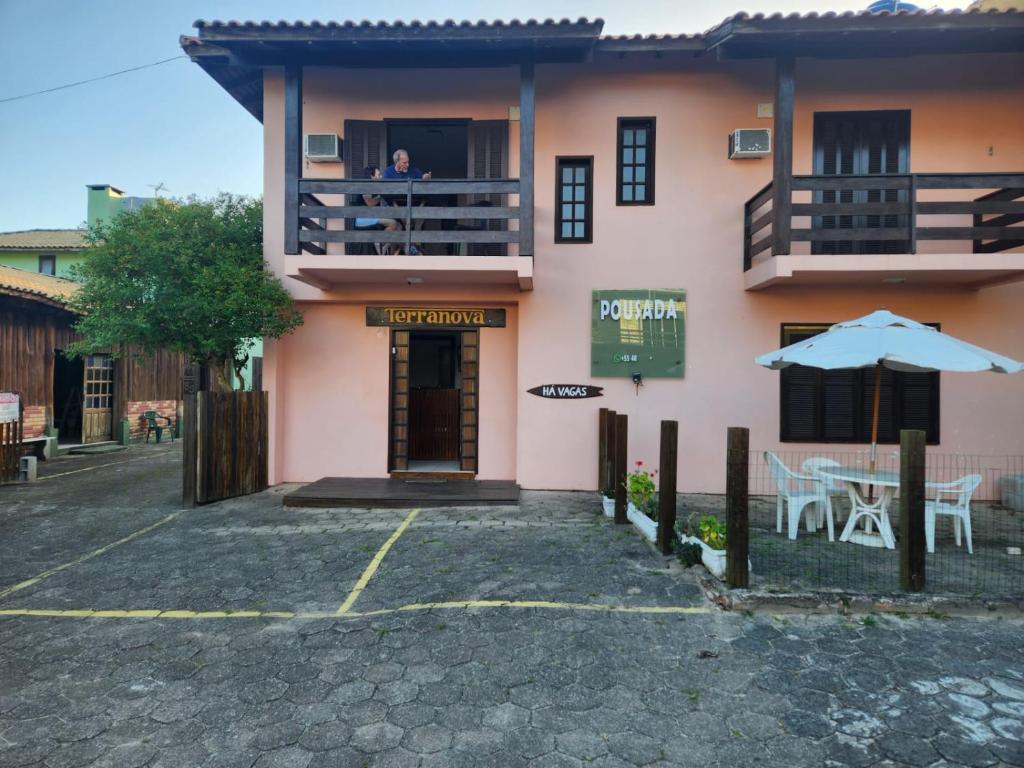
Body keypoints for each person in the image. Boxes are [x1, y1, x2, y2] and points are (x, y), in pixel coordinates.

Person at [383, 149, 431, 254]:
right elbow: (387, 193)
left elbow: (422, 184)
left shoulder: (414, 171)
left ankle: (413, 247)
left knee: (421, 215)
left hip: (412, 207)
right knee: (399, 228)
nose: (408, 165)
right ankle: (409, 249)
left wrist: (425, 179)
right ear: (397, 162)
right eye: (405, 162)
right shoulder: (388, 172)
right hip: (393, 208)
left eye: (408, 162)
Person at [354, 166, 401, 255]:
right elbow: (370, 203)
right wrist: (381, 194)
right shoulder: (365, 187)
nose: (381, 177)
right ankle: (380, 243)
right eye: (379, 175)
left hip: (372, 217)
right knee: (393, 223)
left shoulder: (375, 189)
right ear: (372, 177)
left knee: (398, 226)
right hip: (362, 219)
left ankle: (390, 253)